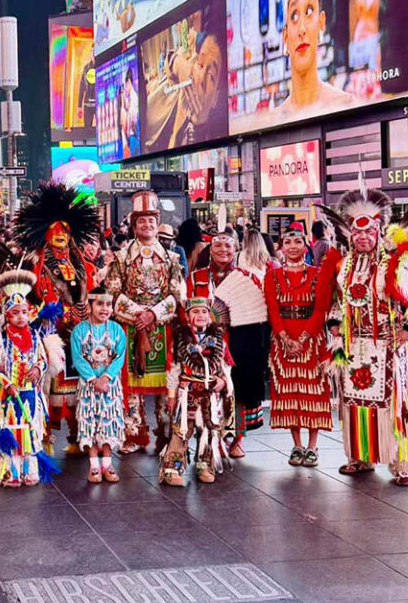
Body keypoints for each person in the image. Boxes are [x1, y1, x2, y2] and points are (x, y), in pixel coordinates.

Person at [323, 186, 408, 486]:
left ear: (379, 234)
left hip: (388, 347)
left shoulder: (395, 264)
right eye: (357, 233)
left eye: (369, 233)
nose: (363, 238)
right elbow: (336, 301)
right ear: (351, 236)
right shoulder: (344, 268)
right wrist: (333, 323)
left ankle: (402, 464)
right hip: (352, 346)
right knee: (352, 402)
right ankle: (360, 456)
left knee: (396, 405)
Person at [14, 182, 99, 453]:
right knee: (48, 386)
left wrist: (83, 311)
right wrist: (49, 314)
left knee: (81, 386)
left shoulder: (84, 267)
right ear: (47, 236)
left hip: (80, 332)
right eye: (56, 232)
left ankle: (78, 437)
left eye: (65, 232)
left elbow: (93, 295)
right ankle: (45, 439)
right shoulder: (34, 266)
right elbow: (27, 298)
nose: (61, 236)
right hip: (48, 333)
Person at [105, 190, 184, 453]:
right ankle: (133, 433)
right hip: (130, 327)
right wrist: (139, 313)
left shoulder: (172, 259)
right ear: (133, 225)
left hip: (162, 328)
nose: (147, 226)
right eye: (141, 221)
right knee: (131, 384)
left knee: (166, 384)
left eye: (151, 221)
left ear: (158, 222)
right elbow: (113, 292)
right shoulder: (120, 258)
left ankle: (165, 433)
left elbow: (178, 294)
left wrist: (154, 314)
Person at [189, 226, 269, 458]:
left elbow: (260, 310)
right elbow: (188, 310)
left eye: (228, 245)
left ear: (236, 249)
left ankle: (238, 438)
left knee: (240, 391)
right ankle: (214, 436)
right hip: (207, 342)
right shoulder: (197, 277)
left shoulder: (248, 276)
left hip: (242, 341)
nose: (223, 249)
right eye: (218, 245)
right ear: (210, 250)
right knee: (209, 389)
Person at [265, 224, 334, 467]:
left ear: (305, 246)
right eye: (287, 243)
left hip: (312, 340)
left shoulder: (317, 273)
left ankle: (313, 446)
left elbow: (321, 310)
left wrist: (302, 339)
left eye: (297, 242)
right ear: (280, 248)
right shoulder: (272, 275)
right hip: (283, 339)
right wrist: (285, 339)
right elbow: (272, 309)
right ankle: (296, 444)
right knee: (289, 392)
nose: (292, 247)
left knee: (314, 391)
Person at [0, 270, 63, 488]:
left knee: (30, 430)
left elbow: (42, 359)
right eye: (15, 313)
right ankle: (12, 472)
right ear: (7, 316)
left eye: (25, 312)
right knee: (10, 430)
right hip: (8, 395)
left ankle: (30, 470)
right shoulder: (1, 339)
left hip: (30, 394)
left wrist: (39, 369)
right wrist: (7, 383)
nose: (21, 316)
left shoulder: (35, 336)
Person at [160, 297, 233, 486]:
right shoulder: (179, 341)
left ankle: (204, 464)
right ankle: (172, 468)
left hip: (210, 394)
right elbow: (173, 370)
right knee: (181, 431)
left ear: (209, 316)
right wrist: (171, 396)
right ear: (187, 315)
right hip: (187, 395)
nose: (200, 315)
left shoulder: (219, 340)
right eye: (195, 312)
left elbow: (226, 367)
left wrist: (222, 382)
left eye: (203, 312)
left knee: (208, 430)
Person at [275, 0, 354, 118]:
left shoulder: (345, 104)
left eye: (309, 11)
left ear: (321, 22)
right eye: (294, 16)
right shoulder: (274, 120)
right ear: (285, 36)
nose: (302, 29)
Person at [71, 286, 127, 483]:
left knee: (108, 423)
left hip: (110, 387)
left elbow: (120, 357)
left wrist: (106, 378)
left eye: (108, 305)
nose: (105, 309)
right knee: (90, 424)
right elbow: (78, 358)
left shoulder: (116, 330)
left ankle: (108, 464)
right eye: (100, 304)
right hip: (88, 386)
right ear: (90, 305)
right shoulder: (79, 331)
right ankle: (94, 465)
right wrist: (93, 379)